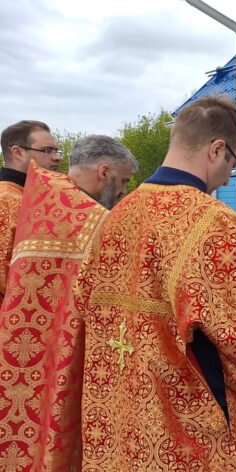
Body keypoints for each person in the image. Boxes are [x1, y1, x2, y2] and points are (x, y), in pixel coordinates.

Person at [78, 95, 236, 471]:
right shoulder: (215, 224)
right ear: (216, 149)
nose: (228, 178)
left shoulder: (112, 218)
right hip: (190, 425)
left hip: (123, 415)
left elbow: (84, 306)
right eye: (233, 164)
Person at [0, 137, 138, 470]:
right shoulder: (94, 220)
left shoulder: (40, 198)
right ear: (104, 172)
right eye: (122, 181)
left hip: (21, 346)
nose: (122, 191)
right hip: (65, 351)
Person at [0, 120, 61, 305]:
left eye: (57, 151)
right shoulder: (7, 200)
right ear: (18, 152)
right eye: (47, 150)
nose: (57, 158)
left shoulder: (34, 196)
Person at [67, 135, 138, 209]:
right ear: (104, 173)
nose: (124, 191)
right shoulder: (96, 214)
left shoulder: (59, 204)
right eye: (123, 181)